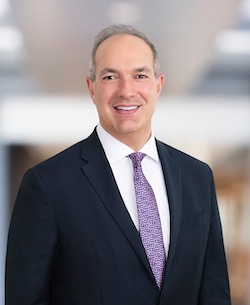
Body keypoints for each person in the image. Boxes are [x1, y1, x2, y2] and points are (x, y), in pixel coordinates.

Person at [5, 24, 231, 305]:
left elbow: (214, 293)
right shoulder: (48, 185)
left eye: (140, 75)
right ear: (92, 88)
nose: (127, 91)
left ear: (158, 85)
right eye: (111, 76)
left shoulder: (198, 177)